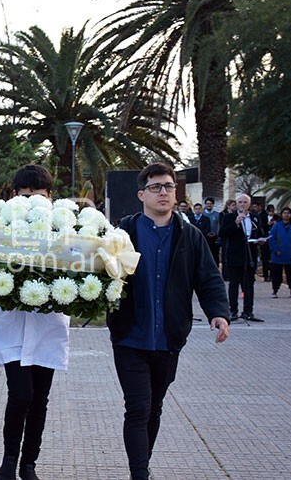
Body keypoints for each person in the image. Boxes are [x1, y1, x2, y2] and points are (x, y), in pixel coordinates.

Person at [109, 162, 230, 480]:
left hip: (169, 339)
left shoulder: (189, 236)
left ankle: (142, 465)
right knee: (137, 406)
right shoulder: (123, 234)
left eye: (168, 187)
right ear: (141, 194)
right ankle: (140, 474)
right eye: (156, 187)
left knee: (154, 407)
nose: (163, 192)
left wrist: (218, 312)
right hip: (129, 338)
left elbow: (209, 279)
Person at [0, 165, 68, 480]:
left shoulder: (65, 227)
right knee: (21, 393)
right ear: (14, 197)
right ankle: (9, 460)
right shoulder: (1, 227)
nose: (32, 203)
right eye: (25, 197)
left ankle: (28, 464)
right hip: (12, 323)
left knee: (40, 398)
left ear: (50, 196)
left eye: (38, 197)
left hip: (48, 326)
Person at [220, 193, 265, 323]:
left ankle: (248, 311)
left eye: (245, 202)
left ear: (249, 204)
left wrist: (260, 240)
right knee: (234, 284)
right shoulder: (229, 217)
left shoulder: (255, 218)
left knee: (249, 285)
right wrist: (236, 223)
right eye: (240, 202)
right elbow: (223, 233)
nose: (242, 205)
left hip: (249, 255)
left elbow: (260, 232)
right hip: (234, 255)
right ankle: (233, 311)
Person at [268, 207, 291, 299]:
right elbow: (271, 239)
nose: (286, 215)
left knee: (290, 274)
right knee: (276, 274)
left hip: (290, 255)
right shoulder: (277, 226)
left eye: (288, 213)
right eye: (284, 213)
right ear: (281, 214)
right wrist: (275, 250)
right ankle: (275, 290)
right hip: (278, 254)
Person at [202, 197, 220, 265]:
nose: (209, 205)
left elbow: (218, 225)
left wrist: (216, 234)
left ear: (213, 205)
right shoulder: (203, 214)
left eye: (210, 204)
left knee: (215, 254)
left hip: (215, 237)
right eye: (207, 204)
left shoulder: (217, 214)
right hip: (205, 238)